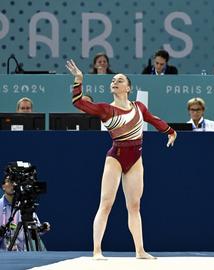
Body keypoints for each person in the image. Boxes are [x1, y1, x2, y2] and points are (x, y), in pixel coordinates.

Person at [66, 59, 177, 259]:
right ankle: (97, 250)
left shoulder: (139, 107)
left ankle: (140, 250)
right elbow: (78, 102)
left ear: (128, 88)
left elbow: (153, 119)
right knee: (106, 204)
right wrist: (78, 80)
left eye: (119, 80)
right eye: (112, 80)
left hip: (136, 159)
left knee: (134, 206)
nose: (114, 82)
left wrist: (170, 131)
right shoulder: (105, 109)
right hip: (115, 158)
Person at [0, 176, 50, 251]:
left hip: (23, 254)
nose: (13, 184)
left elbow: (34, 232)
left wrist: (42, 228)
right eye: (9, 181)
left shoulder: (25, 205)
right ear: (3, 186)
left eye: (15, 182)